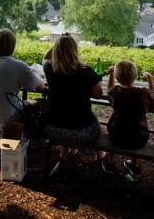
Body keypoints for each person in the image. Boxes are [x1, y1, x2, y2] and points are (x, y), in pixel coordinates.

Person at [42, 34, 106, 166]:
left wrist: (59, 43)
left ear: (56, 51)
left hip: (53, 128)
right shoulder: (86, 72)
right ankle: (100, 154)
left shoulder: (50, 69)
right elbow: (98, 94)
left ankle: (64, 153)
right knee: (93, 118)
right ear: (75, 50)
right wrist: (98, 80)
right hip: (80, 132)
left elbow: (45, 57)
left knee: (65, 112)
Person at [0, 28, 46, 133]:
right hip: (6, 118)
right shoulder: (18, 66)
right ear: (12, 46)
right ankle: (32, 139)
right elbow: (41, 87)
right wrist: (35, 74)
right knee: (39, 103)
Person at [101, 60, 154, 177]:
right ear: (135, 76)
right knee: (133, 128)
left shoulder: (116, 92)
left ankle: (110, 162)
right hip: (138, 137)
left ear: (118, 79)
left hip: (117, 135)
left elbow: (109, 89)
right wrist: (150, 79)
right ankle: (134, 166)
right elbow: (153, 100)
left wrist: (110, 74)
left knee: (116, 126)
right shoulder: (143, 94)